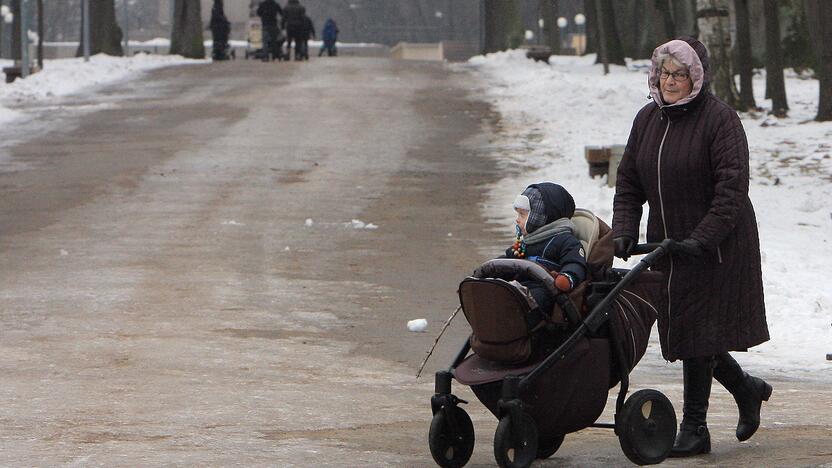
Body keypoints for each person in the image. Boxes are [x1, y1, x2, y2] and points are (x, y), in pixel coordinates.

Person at [612, 37, 772, 457]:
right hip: (669, 242)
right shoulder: (648, 120)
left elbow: (731, 189)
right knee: (687, 328)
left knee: (697, 331)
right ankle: (746, 388)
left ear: (695, 78)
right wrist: (624, 230)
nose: (670, 81)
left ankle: (695, 428)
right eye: (664, 73)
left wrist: (702, 240)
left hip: (718, 242)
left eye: (679, 75)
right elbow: (629, 183)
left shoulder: (720, 121)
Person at [505, 183, 587, 315]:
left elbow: (575, 262)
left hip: (545, 291)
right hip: (519, 286)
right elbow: (508, 259)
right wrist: (487, 272)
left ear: (540, 217)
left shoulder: (565, 241)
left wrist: (567, 277)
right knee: (499, 290)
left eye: (522, 215)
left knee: (532, 298)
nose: (517, 220)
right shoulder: (525, 243)